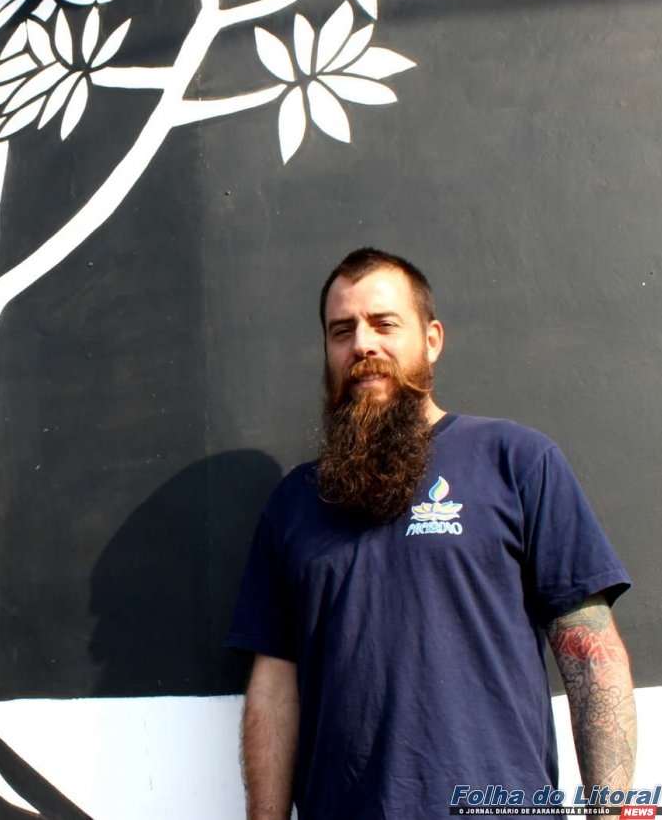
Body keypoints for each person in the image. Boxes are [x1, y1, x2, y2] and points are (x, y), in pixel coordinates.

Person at [227, 248, 636, 819]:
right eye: (342, 331)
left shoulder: (516, 461)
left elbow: (591, 654)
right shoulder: (295, 504)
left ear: (433, 339)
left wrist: (617, 814)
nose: (362, 345)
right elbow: (273, 691)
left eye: (383, 324)